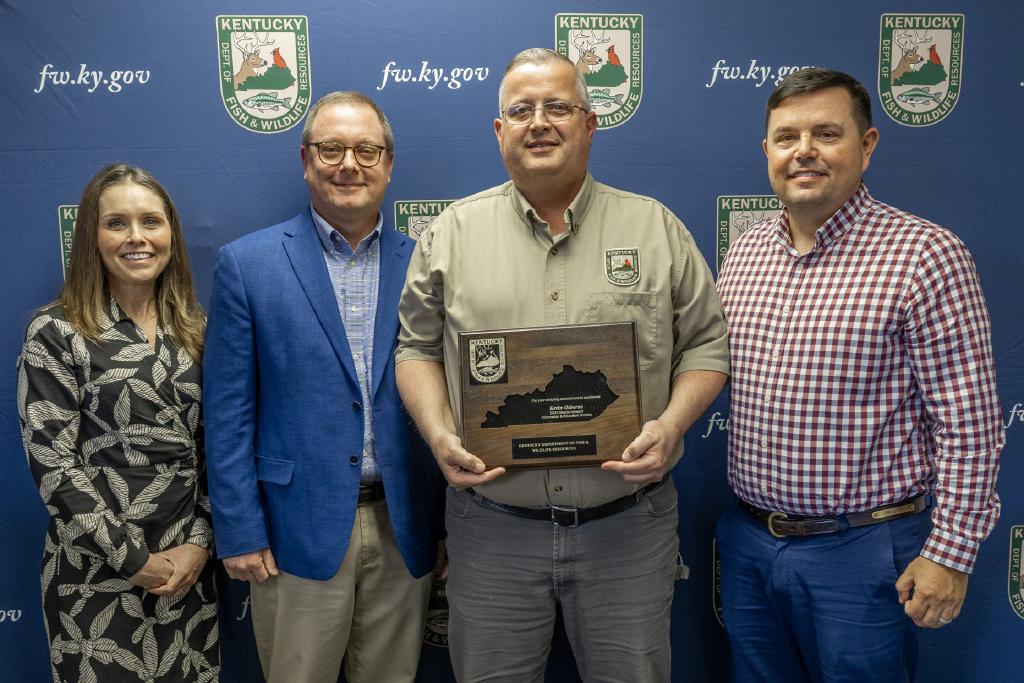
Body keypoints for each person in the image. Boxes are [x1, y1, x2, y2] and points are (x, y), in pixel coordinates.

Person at [396, 48, 729, 682]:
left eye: (558, 107)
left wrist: (673, 425)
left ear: (590, 122)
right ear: (500, 131)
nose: (539, 122)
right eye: (521, 110)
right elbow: (415, 350)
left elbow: (708, 347)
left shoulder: (656, 229)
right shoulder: (450, 235)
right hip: (491, 531)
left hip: (628, 530)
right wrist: (439, 436)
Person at [715, 67, 1004, 681]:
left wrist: (950, 554)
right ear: (767, 150)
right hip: (749, 543)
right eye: (787, 137)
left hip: (865, 551)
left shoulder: (925, 254)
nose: (804, 152)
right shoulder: (744, 254)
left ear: (866, 145)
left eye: (826, 133)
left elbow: (970, 424)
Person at [203, 91, 443, 683]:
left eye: (366, 149)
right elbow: (228, 413)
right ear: (305, 159)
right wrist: (240, 528)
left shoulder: (428, 264)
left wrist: (445, 527)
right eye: (331, 148)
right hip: (292, 532)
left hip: (402, 527)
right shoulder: (247, 264)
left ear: (389, 163)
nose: (349, 164)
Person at [17, 163, 219, 682]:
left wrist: (199, 542)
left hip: (186, 574)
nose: (137, 237)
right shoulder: (56, 331)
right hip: (94, 579)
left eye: (151, 221)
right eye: (117, 223)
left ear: (170, 232)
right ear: (91, 236)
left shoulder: (196, 329)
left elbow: (219, 447)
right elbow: (54, 468)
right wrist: (136, 562)